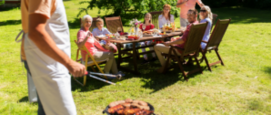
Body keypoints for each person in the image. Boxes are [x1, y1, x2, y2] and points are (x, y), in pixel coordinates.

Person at [23, 0, 86, 114]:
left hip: (51, 59)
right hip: (47, 61)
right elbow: (36, 31)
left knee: (47, 109)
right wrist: (69, 62)